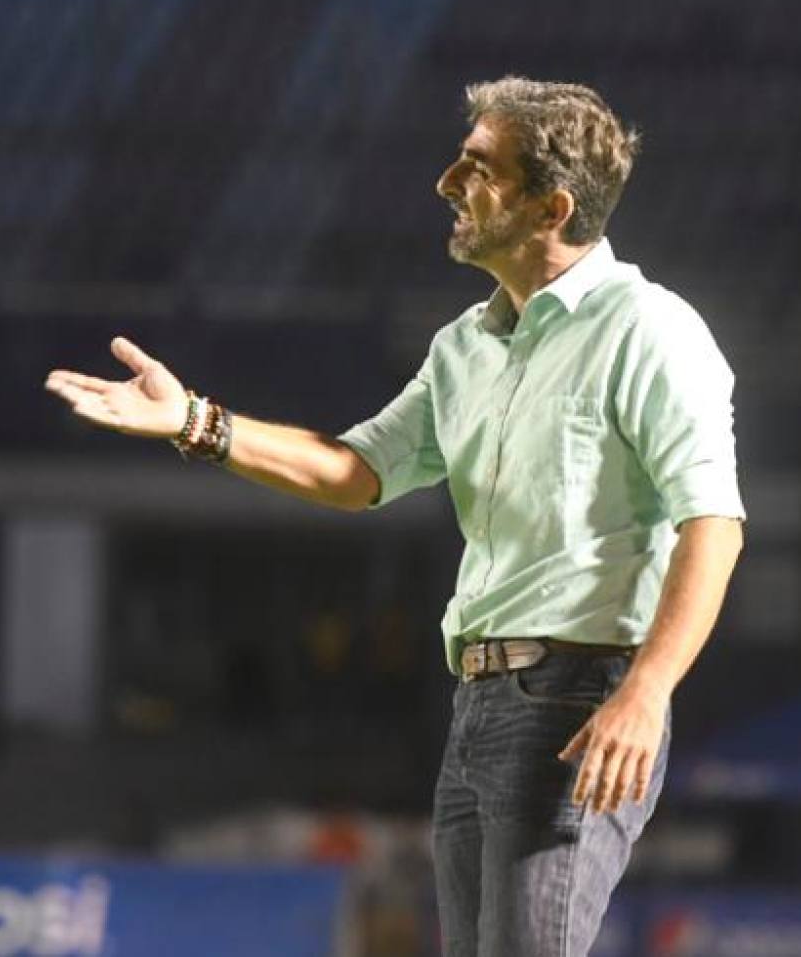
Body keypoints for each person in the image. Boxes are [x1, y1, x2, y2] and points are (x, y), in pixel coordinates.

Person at [45, 77, 745, 955]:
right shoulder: (465, 345)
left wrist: (646, 690)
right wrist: (195, 420)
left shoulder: (650, 330)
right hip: (478, 702)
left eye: (479, 167)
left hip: (579, 699)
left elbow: (713, 522)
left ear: (552, 207)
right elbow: (357, 471)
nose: (448, 183)